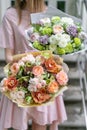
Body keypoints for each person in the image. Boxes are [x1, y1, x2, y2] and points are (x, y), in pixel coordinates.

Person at [0, 0, 67, 130]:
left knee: (40, 124)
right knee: (20, 125)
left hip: (45, 80)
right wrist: (27, 65)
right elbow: (8, 56)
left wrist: (57, 61)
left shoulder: (51, 15)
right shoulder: (11, 15)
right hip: (21, 79)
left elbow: (55, 52)